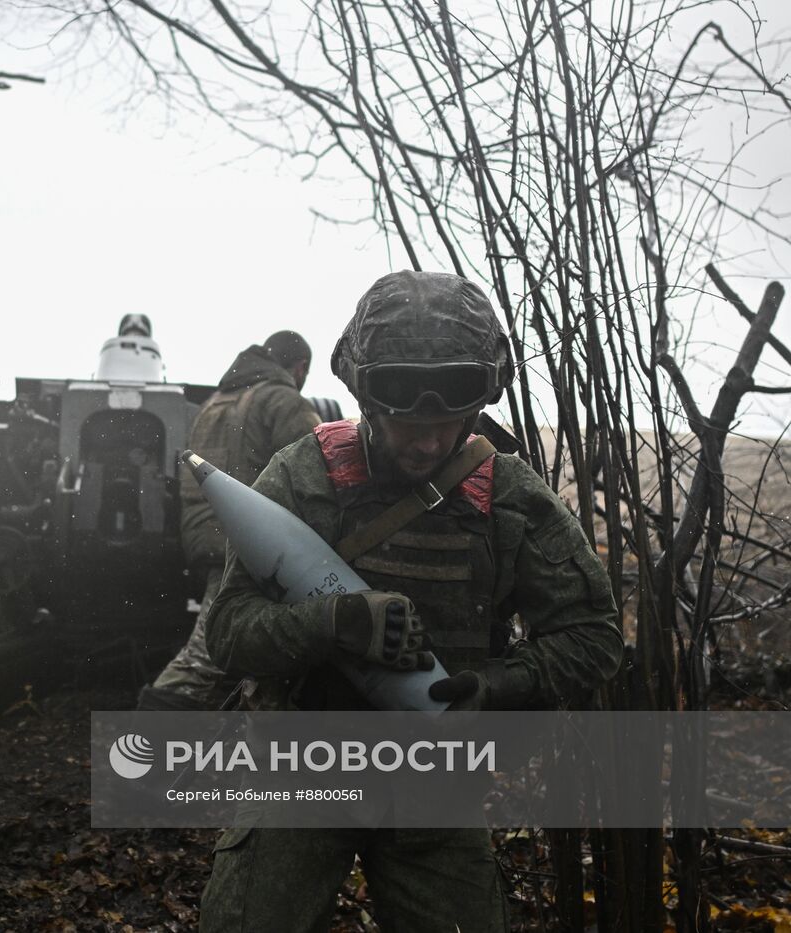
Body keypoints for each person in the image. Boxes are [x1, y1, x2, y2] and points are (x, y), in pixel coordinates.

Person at [198, 271, 624, 932]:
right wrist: (336, 623)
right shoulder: (303, 477)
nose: (427, 442)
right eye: (405, 420)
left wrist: (491, 688)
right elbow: (226, 632)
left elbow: (593, 634)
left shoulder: (505, 497)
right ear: (366, 396)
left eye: (448, 419)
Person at [138, 331, 321, 711]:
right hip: (249, 545)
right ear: (299, 367)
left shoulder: (214, 403)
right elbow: (319, 470)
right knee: (207, 655)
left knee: (233, 644)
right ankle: (149, 745)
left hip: (205, 537)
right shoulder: (282, 400)